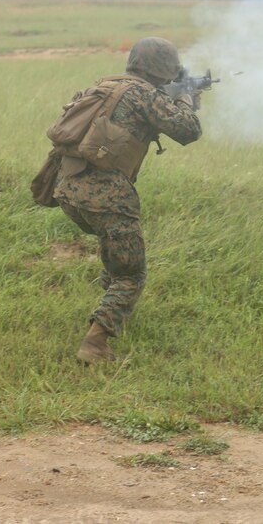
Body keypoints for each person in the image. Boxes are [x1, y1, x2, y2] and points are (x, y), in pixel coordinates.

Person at [52, 37, 202, 363]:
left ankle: (113, 308)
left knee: (115, 249)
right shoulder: (146, 95)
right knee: (131, 275)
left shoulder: (105, 85)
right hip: (109, 198)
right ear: (163, 70)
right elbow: (189, 130)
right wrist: (187, 99)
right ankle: (95, 344)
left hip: (68, 191)